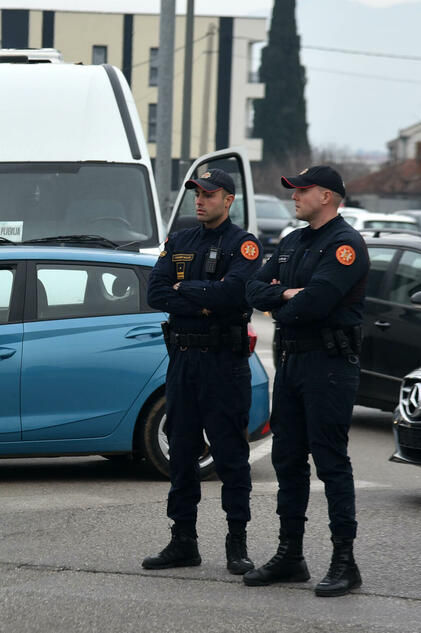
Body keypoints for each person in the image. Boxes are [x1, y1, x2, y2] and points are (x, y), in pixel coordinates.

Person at [243, 165, 369, 597]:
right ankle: (290, 555)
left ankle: (344, 561)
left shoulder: (346, 244)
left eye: (303, 189)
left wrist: (283, 299)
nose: (294, 196)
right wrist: (283, 295)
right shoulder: (292, 241)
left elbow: (313, 306)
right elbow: (252, 292)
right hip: (293, 363)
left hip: (329, 365)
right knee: (288, 459)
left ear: (328, 197)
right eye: (293, 190)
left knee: (331, 463)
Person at [142, 168, 262, 574]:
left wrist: (184, 292)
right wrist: (202, 299)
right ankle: (183, 541)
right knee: (181, 452)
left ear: (228, 200)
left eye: (208, 194)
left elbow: (233, 294)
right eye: (196, 192)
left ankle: (237, 543)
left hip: (223, 364)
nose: (199, 199)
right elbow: (155, 292)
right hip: (182, 362)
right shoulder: (180, 240)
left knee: (230, 455)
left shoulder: (242, 244)